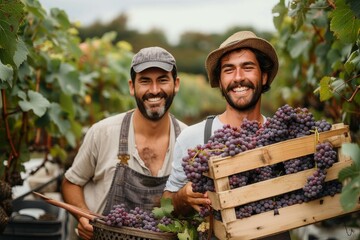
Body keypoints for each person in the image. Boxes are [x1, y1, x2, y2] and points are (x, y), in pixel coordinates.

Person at [162, 31, 291, 240]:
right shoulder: (193, 138)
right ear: (220, 82)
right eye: (229, 70)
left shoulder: (286, 137)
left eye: (247, 67)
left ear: (264, 76)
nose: (238, 77)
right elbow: (166, 205)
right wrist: (182, 198)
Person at [61, 46, 187, 240]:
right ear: (131, 87)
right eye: (145, 81)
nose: (154, 90)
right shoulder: (102, 133)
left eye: (162, 80)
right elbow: (71, 183)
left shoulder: (188, 140)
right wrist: (83, 216)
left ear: (176, 84)